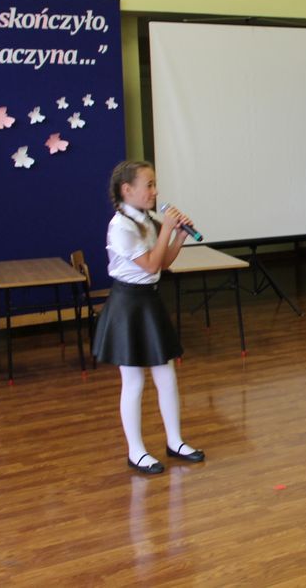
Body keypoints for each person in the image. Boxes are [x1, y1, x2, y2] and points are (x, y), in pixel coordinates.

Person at [92, 160, 205, 474]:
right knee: (134, 380)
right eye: (149, 185)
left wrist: (178, 236)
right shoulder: (121, 226)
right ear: (127, 190)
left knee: (166, 375)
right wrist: (167, 228)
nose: (155, 191)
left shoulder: (148, 219)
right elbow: (150, 265)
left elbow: (162, 263)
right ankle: (136, 451)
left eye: (155, 184)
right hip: (128, 304)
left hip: (149, 301)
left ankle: (175, 441)